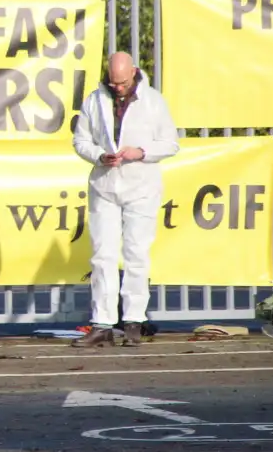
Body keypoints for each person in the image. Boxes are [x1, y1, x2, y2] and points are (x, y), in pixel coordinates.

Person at [70, 51, 179, 348]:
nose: (118, 87)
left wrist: (140, 152)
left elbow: (171, 143)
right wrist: (99, 155)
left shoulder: (153, 101)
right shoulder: (94, 100)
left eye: (123, 82)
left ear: (133, 72)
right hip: (105, 185)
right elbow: (80, 140)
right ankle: (102, 322)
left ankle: (134, 320)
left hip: (141, 186)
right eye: (113, 82)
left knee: (136, 255)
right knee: (102, 255)